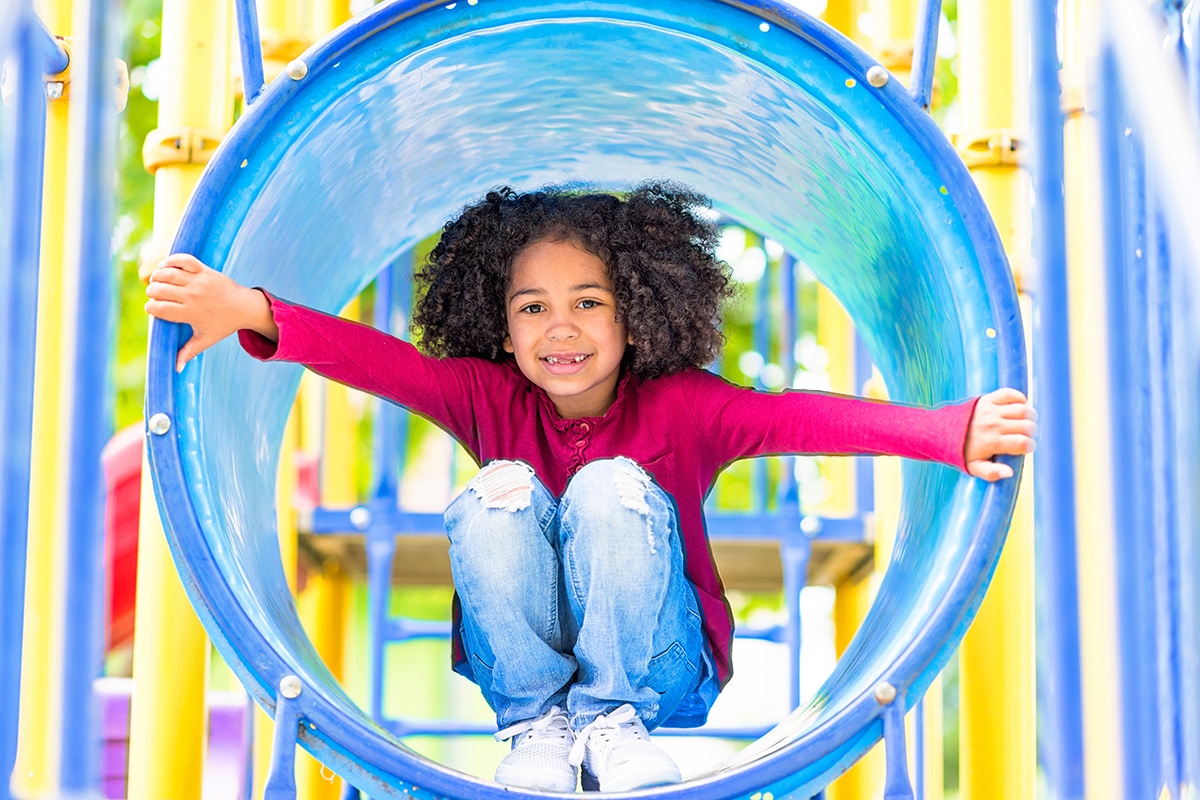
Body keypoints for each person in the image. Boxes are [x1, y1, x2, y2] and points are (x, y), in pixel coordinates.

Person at [145, 182, 1037, 794]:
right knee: (497, 489)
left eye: (589, 301)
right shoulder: (485, 396)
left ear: (637, 311)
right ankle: (535, 726)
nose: (559, 329)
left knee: (612, 486)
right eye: (532, 306)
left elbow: (810, 418)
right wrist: (252, 311)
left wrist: (950, 431)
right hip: (528, 666)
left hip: (659, 668)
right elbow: (378, 363)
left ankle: (612, 724)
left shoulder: (686, 407)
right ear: (499, 323)